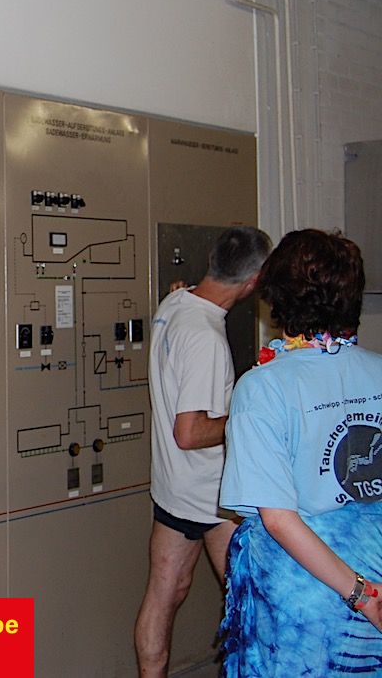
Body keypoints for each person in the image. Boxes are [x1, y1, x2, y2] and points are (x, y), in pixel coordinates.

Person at [219, 229, 382, 675]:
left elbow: (277, 518)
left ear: (275, 296)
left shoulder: (262, 388)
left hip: (311, 604)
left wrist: (363, 594)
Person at [135, 225, 272, 677]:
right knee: (250, 603)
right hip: (213, 496)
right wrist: (247, 418)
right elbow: (190, 432)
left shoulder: (175, 303)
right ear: (254, 281)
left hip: (174, 488)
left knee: (165, 594)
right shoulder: (207, 338)